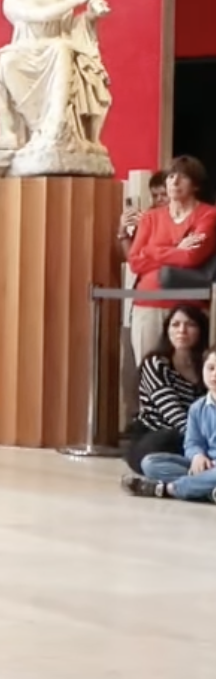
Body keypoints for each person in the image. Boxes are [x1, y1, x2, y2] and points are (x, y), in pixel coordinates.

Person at [126, 156, 216, 365]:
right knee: (148, 372)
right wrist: (175, 250)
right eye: (171, 177)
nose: (174, 182)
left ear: (195, 185)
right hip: (147, 302)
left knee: (189, 374)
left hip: (188, 304)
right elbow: (135, 262)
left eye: (182, 177)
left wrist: (152, 250)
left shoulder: (208, 215)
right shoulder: (151, 217)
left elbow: (192, 256)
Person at [124, 346, 216, 502]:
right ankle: (208, 491)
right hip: (203, 466)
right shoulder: (197, 408)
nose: (214, 375)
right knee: (151, 463)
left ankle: (170, 489)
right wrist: (197, 456)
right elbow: (192, 442)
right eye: (211, 368)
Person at [123, 305, 207, 473]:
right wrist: (199, 444)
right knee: (164, 444)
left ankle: (200, 475)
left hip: (193, 440)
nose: (182, 330)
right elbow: (173, 413)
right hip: (156, 436)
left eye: (190, 325)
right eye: (175, 325)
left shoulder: (206, 366)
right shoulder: (156, 364)